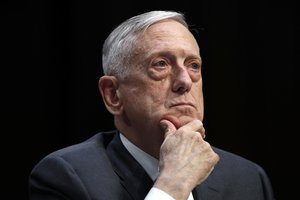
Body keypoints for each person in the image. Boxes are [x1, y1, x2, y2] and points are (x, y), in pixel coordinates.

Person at [28, 10, 275, 200]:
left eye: (193, 66)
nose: (184, 81)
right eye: (161, 64)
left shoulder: (248, 179)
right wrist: (172, 185)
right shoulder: (67, 177)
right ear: (113, 94)